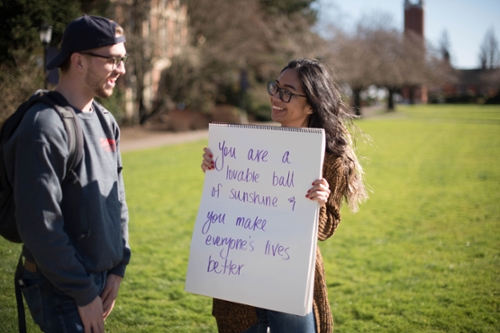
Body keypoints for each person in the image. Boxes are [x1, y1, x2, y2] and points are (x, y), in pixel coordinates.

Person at [201, 58, 367, 333]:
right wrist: (216, 169)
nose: (276, 97)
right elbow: (230, 202)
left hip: (290, 274)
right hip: (240, 268)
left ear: (311, 104)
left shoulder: (331, 160)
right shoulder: (248, 147)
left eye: (287, 92)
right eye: (275, 88)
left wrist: (321, 202)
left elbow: (326, 230)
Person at [4, 15, 131, 333]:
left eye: (123, 60)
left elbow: (117, 198)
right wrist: (82, 292)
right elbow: (40, 226)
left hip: (97, 281)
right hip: (60, 288)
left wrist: (117, 267)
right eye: (113, 60)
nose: (122, 70)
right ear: (79, 61)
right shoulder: (43, 126)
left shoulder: (105, 120)